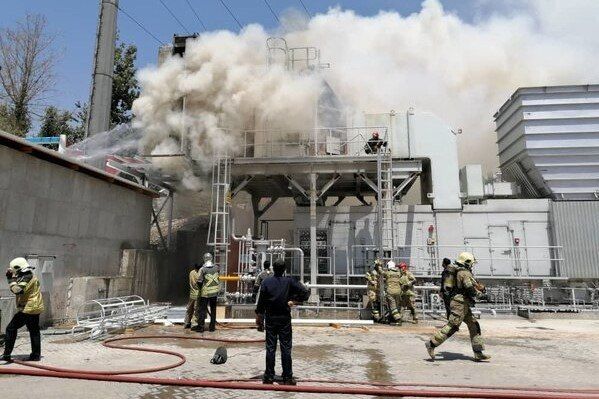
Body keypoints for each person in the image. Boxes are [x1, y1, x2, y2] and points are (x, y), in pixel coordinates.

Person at [425, 252, 491, 362]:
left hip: (462, 304)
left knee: (474, 325)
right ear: (467, 262)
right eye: (471, 264)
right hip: (459, 304)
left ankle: (478, 352)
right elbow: (469, 289)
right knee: (452, 326)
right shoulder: (464, 273)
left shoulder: (458, 271)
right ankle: (431, 344)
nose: (472, 266)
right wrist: (482, 295)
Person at [255, 258, 309, 385]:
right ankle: (288, 377)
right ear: (284, 270)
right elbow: (305, 293)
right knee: (285, 348)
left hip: (270, 319)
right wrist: (294, 301)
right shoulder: (289, 281)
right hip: (284, 318)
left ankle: (268, 376)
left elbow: (261, 302)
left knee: (270, 348)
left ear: (273, 268)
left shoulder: (267, 282)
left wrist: (259, 318)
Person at [2, 257, 44, 362]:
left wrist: (9, 279)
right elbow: (19, 282)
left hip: (28, 308)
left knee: (10, 328)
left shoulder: (27, 276)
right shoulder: (27, 274)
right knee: (34, 331)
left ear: (18, 268)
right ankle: (35, 355)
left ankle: (7, 354)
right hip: (34, 307)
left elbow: (17, 290)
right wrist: (13, 276)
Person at [192, 253, 220, 333]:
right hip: (214, 293)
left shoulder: (202, 269)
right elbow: (218, 278)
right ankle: (212, 327)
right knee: (213, 309)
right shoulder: (217, 268)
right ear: (212, 258)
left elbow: (199, 281)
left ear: (204, 259)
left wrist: (200, 289)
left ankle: (200, 326)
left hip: (205, 293)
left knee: (202, 310)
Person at [183, 263, 201, 329]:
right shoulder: (199, 274)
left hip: (192, 294)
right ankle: (194, 324)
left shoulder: (191, 272)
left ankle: (186, 323)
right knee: (196, 310)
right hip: (197, 295)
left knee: (189, 309)